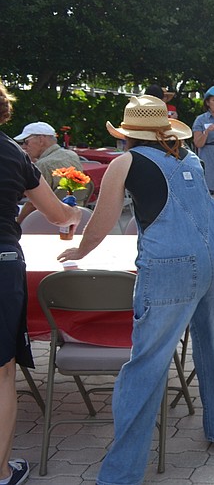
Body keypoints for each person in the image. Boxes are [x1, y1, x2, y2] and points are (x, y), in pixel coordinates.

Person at [57, 95, 214, 484]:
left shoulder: (125, 161)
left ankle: (121, 473)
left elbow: (103, 221)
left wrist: (80, 249)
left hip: (170, 267)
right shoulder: (190, 158)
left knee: (147, 364)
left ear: (127, 134)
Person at [1, 81, 82, 485]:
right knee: (1, 373)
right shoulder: (12, 154)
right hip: (1, 261)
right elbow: (57, 215)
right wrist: (71, 217)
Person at [14, 121, 89, 223]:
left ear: (41, 140)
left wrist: (18, 223)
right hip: (75, 214)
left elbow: (32, 204)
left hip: (43, 221)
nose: (23, 147)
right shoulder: (72, 155)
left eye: (26, 142)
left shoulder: (43, 165)